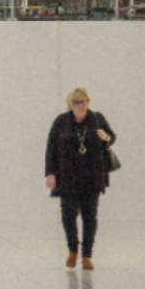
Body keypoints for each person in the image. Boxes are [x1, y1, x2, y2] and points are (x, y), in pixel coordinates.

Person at [44, 88, 116, 271]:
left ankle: (86, 255)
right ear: (70, 104)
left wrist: (104, 136)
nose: (80, 105)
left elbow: (112, 137)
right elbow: (51, 149)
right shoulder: (61, 122)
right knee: (68, 214)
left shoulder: (97, 119)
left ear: (88, 102)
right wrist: (50, 173)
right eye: (76, 102)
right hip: (67, 177)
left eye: (83, 101)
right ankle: (72, 250)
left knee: (90, 216)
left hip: (92, 177)